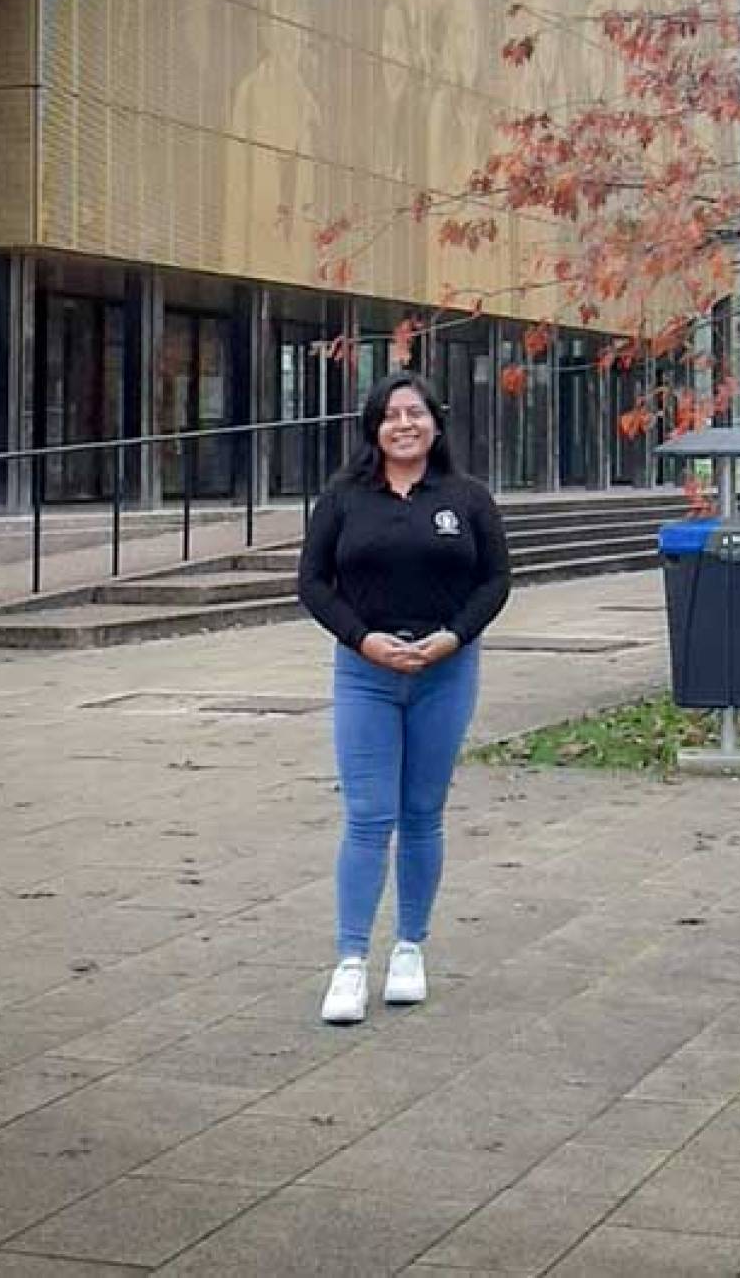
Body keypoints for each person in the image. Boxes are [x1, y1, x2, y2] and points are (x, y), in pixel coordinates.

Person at [298, 369, 511, 1024]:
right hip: (366, 673)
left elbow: (496, 580)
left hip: (444, 672)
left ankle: (410, 948)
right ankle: (351, 961)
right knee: (368, 814)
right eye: (391, 415)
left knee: (422, 812)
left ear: (435, 424)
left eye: (415, 412)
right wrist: (363, 641)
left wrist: (453, 638)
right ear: (374, 428)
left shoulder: (467, 497)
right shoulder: (343, 498)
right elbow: (312, 582)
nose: (404, 424)